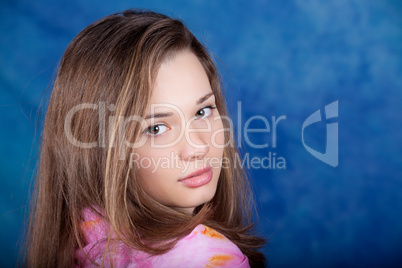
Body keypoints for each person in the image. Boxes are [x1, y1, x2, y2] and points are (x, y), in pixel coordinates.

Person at [25, 9, 266, 267]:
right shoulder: (209, 258)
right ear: (100, 149)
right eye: (156, 128)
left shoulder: (83, 240)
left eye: (202, 111)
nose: (198, 146)